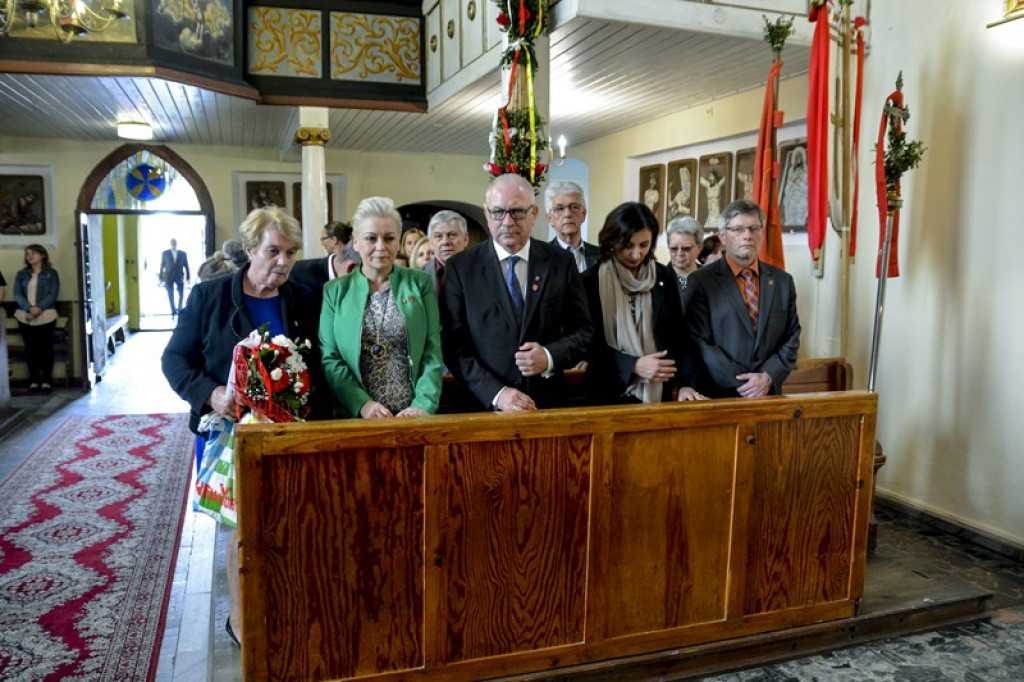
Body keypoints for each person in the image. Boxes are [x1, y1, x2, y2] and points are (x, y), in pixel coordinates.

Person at [161, 206, 328, 647]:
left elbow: (320, 365)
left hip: (292, 434)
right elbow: (175, 360)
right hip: (230, 435)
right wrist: (212, 393)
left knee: (292, 525)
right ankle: (243, 617)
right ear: (250, 249)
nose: (283, 262)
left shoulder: (306, 296)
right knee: (243, 531)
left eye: (291, 253)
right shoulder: (209, 297)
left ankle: (286, 604)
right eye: (273, 250)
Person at [441, 173, 592, 412]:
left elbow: (583, 332)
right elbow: (452, 346)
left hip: (545, 405)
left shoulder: (560, 263)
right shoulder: (461, 268)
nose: (508, 222)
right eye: (498, 212)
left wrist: (549, 356)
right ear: (486, 214)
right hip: (481, 408)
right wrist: (497, 394)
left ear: (533, 213)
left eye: (517, 212)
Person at [320, 197, 443, 418]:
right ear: (356, 242)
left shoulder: (420, 283)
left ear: (398, 242)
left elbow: (432, 350)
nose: (381, 247)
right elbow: (330, 357)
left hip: (413, 417)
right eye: (370, 238)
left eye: (389, 238)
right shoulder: (335, 291)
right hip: (356, 417)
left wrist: (423, 405)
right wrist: (362, 405)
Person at [582, 203, 704, 405]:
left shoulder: (664, 277)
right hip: (607, 394)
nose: (636, 254)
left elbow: (681, 338)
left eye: (644, 245)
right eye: (628, 245)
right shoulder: (590, 282)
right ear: (612, 241)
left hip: (658, 394)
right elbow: (586, 344)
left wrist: (685, 384)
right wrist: (633, 365)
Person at [683, 199, 801, 399]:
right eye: (738, 229)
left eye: (754, 228)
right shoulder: (702, 281)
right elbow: (701, 342)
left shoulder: (783, 281)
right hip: (719, 396)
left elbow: (792, 335)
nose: (747, 236)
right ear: (722, 235)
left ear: (762, 233)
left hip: (768, 394)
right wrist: (746, 384)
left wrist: (767, 376)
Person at [13, 244, 60, 392]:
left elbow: (52, 294)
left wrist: (39, 308)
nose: (30, 256)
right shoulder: (22, 274)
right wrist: (29, 308)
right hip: (25, 316)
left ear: (42, 255)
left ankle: (46, 380)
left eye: (33, 253)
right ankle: (34, 380)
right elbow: (17, 294)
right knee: (31, 348)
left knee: (45, 347)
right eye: (27, 254)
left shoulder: (51, 273)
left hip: (46, 315)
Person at [290, 220, 359, 292]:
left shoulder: (361, 267)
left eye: (323, 239)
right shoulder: (300, 270)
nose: (322, 244)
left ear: (334, 240)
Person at [546, 180, 598, 273]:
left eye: (574, 207)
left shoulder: (601, 256)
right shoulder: (542, 257)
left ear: (583, 214)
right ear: (550, 218)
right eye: (560, 208)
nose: (568, 214)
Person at [422, 209, 469, 297]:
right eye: (438, 236)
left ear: (465, 239)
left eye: (452, 235)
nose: (445, 242)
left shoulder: (482, 272)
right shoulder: (418, 277)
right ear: (431, 243)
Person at [665, 216, 703, 301]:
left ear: (699, 248)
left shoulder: (710, 278)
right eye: (674, 249)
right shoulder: (658, 278)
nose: (679, 254)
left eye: (686, 249)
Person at [159, 238, 190, 317]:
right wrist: (160, 276)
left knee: (181, 293)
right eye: (172, 243)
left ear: (176, 243)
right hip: (168, 276)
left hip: (179, 276)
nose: (173, 244)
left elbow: (186, 265)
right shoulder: (165, 253)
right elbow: (162, 265)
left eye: (174, 242)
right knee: (170, 294)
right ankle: (173, 310)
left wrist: (188, 277)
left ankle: (180, 309)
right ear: (170, 243)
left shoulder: (183, 253)